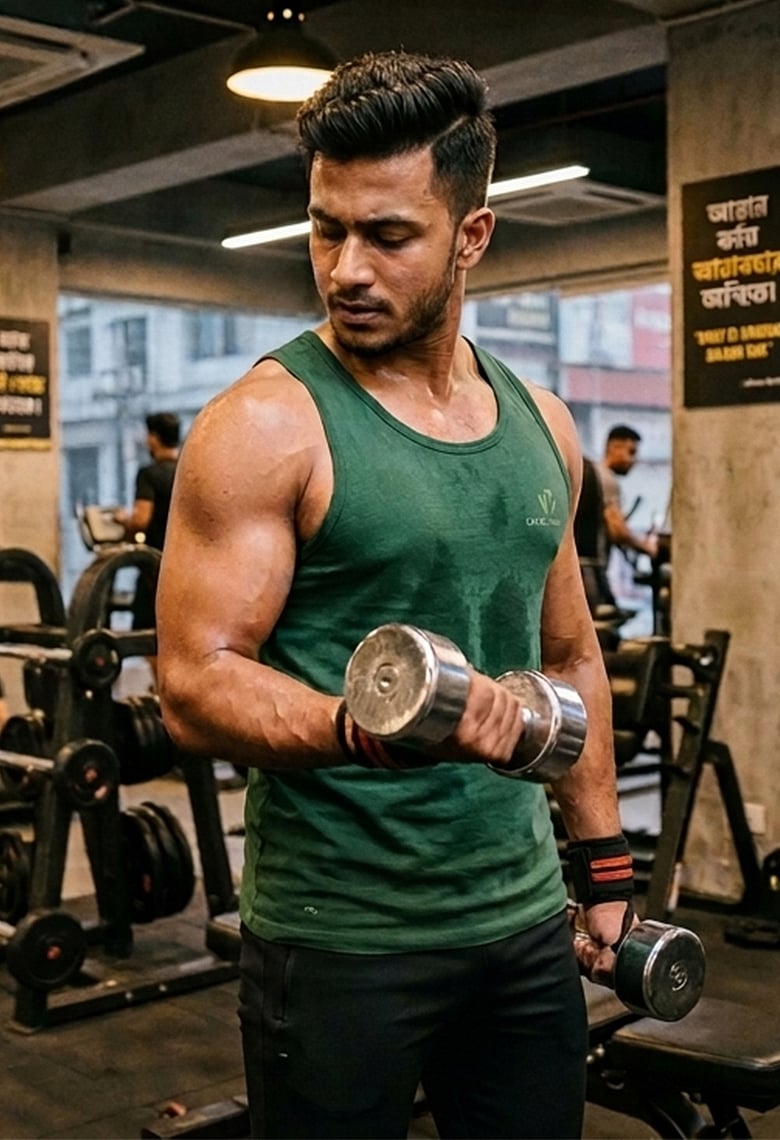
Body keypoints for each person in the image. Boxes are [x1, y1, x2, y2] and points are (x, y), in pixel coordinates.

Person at [156, 50, 633, 1140]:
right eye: (326, 230)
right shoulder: (265, 425)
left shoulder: (545, 424)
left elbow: (570, 657)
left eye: (388, 235)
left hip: (522, 922)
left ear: (472, 235)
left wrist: (604, 862)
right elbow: (193, 683)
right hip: (338, 938)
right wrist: (368, 728)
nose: (345, 269)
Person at [115, 411, 180, 683]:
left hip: (155, 570)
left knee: (149, 635)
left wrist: (123, 520)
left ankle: (162, 693)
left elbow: (141, 519)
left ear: (153, 438)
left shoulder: (149, 474)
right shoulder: (187, 471)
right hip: (186, 567)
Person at [574, 424, 658, 615]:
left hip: (579, 567)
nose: (634, 460)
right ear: (614, 447)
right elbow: (618, 531)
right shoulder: (606, 479)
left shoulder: (589, 474)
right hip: (591, 570)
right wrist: (647, 548)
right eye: (631, 452)